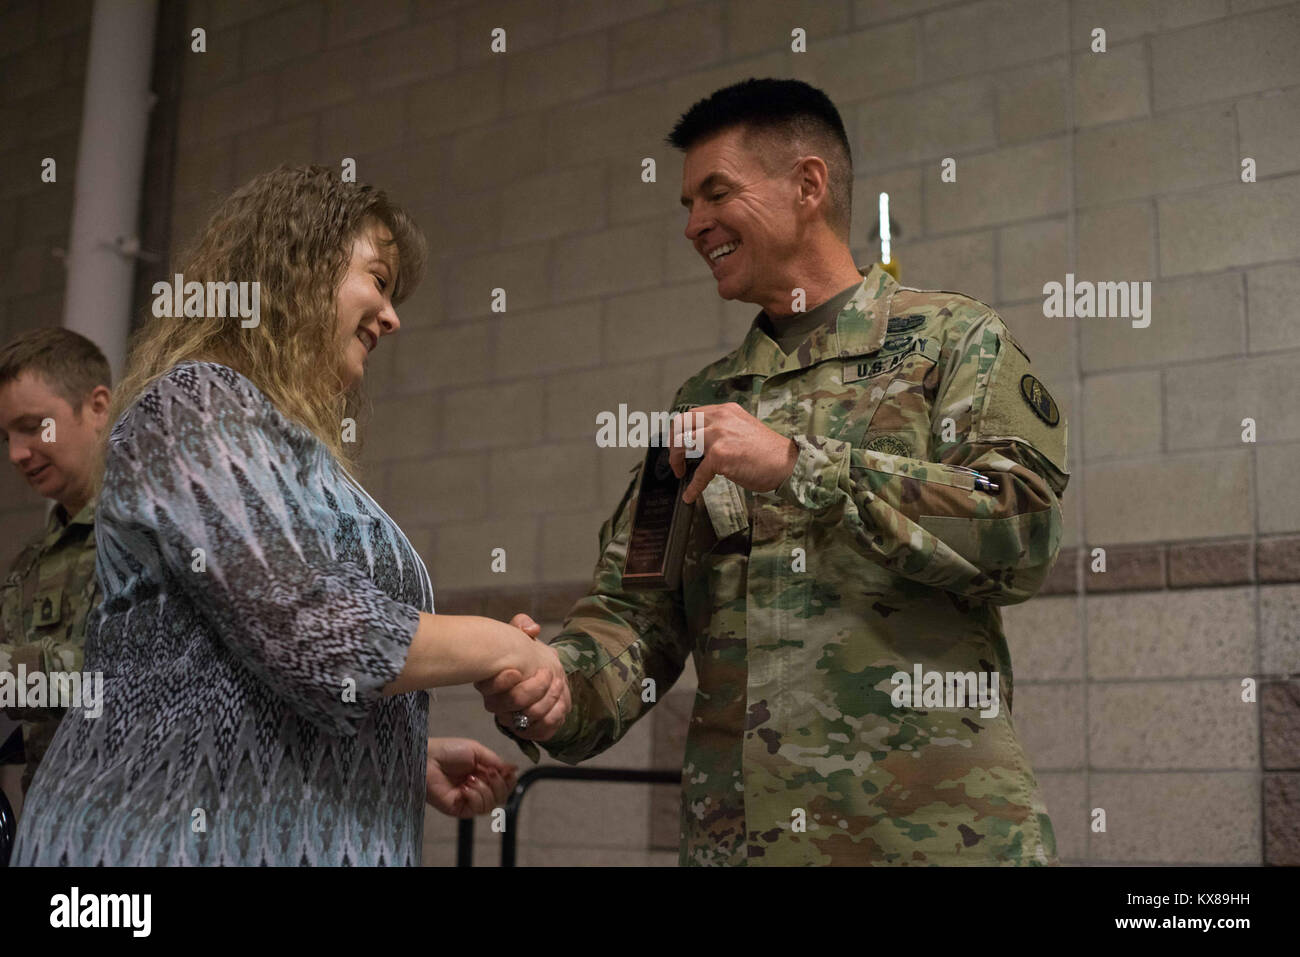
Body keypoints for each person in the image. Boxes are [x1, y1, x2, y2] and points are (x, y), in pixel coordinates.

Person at [479, 79, 1070, 865]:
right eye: (687, 204)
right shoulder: (703, 403)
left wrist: (799, 465)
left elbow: (1020, 531)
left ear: (808, 184)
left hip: (934, 842)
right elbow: (638, 617)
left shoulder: (952, 342)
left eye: (716, 192)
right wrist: (551, 686)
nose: (694, 225)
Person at [12, 165, 569, 866]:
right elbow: (316, 627)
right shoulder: (193, 404)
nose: (392, 316)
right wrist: (502, 645)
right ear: (296, 266)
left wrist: (398, 756)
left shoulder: (283, 442)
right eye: (379, 280)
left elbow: (237, 669)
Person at [0, 329, 111, 810]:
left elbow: (130, 678)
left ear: (98, 408)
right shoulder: (28, 569)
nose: (16, 454)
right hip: (51, 831)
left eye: (32, 426)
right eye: (7, 436)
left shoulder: (152, 531)